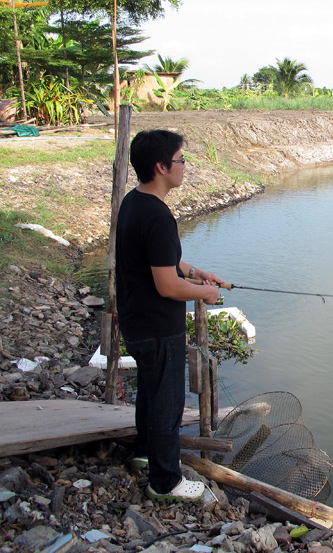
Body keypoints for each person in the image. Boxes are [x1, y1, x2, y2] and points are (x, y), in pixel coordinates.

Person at [116, 129, 222, 502]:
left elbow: (167, 262)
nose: (184, 167)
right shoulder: (159, 217)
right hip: (158, 326)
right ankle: (166, 482)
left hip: (136, 321)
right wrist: (205, 293)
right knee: (167, 402)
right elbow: (167, 285)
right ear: (161, 166)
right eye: (180, 160)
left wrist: (197, 272)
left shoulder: (135, 202)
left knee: (150, 390)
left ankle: (145, 454)